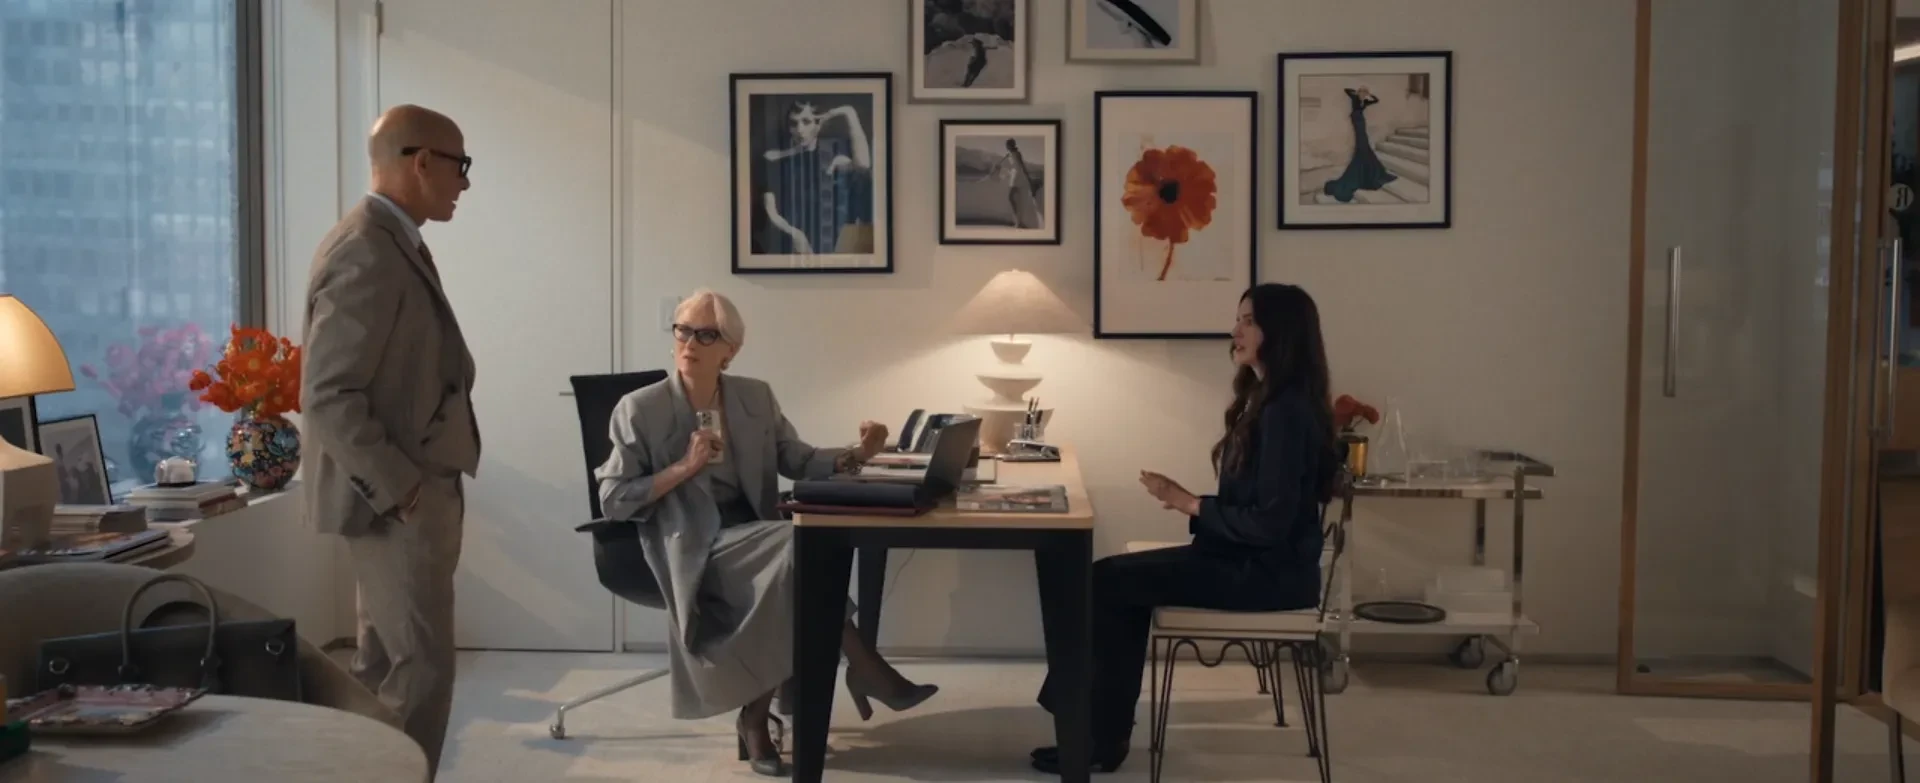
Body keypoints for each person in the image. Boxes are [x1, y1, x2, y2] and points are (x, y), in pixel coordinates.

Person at [595, 289, 938, 777]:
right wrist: (683, 468)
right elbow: (613, 498)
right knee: (802, 547)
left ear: (730, 350)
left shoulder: (753, 396)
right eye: (683, 330)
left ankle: (757, 717)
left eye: (706, 335)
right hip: (693, 543)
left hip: (754, 534)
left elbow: (797, 459)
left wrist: (859, 454)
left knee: (798, 565)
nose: (689, 342)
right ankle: (863, 666)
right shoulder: (640, 408)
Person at [1029, 283, 1341, 775]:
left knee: (1107, 581)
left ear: (1280, 333)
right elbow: (1261, 510)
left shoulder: (1285, 412)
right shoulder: (1269, 402)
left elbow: (1269, 523)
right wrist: (1192, 504)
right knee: (1110, 580)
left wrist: (1191, 504)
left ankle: (1092, 733)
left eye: (1249, 321)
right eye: (1238, 319)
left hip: (1267, 575)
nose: (1235, 331)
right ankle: (1096, 732)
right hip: (1251, 562)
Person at [300, 104, 478, 778]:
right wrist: (403, 490)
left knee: (382, 670)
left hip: (404, 498)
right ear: (421, 161)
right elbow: (327, 392)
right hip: (394, 503)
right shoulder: (367, 249)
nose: (465, 182)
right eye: (460, 165)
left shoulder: (392, 240)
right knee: (420, 670)